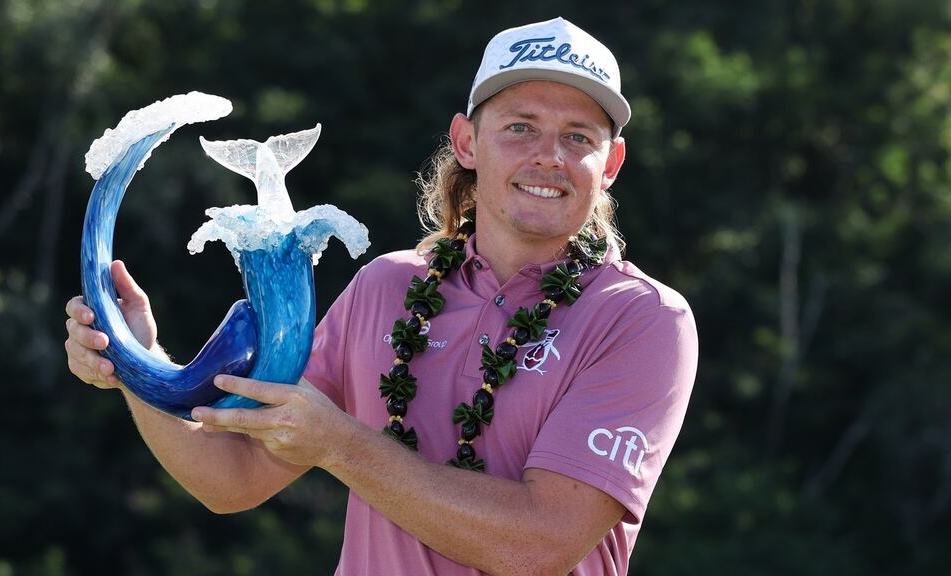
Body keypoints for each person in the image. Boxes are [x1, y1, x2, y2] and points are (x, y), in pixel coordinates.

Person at [65, 17, 697, 576]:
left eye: (578, 138)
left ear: (610, 163)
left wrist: (340, 443)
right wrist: (135, 362)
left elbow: (539, 545)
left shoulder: (643, 319)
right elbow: (232, 478)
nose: (548, 157)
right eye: (521, 127)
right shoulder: (386, 286)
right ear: (467, 142)